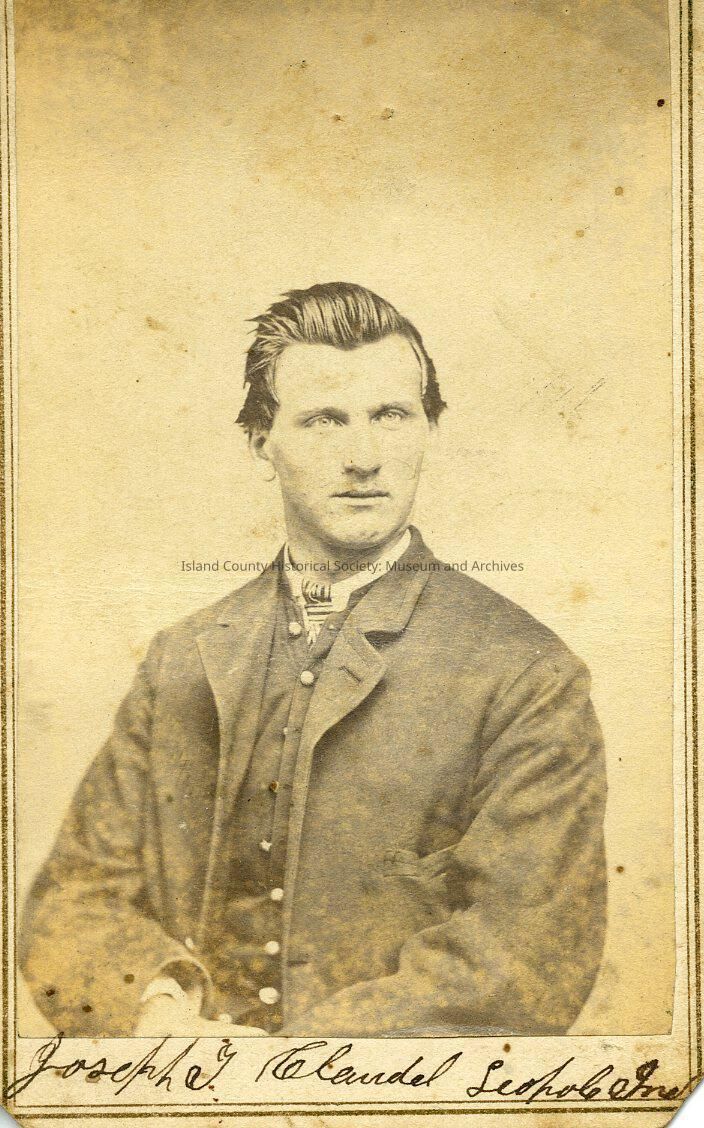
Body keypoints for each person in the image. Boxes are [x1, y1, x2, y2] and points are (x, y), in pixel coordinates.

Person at [20, 282, 607, 1038]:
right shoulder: (182, 658)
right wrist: (161, 1013)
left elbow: (522, 959)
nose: (363, 458)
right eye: (325, 420)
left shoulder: (527, 673)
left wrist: (281, 1067)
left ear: (430, 429)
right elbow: (71, 901)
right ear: (260, 442)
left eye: (391, 415)